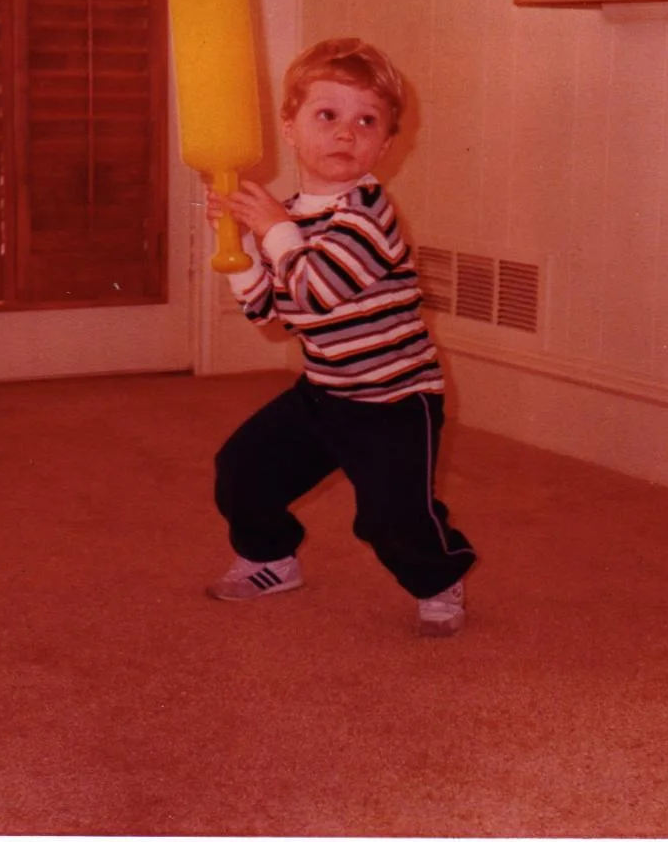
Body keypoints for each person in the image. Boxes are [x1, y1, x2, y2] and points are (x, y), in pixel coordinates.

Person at [202, 37, 476, 637]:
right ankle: (272, 559)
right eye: (327, 115)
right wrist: (239, 248)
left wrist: (272, 230)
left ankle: (439, 578)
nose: (346, 133)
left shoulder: (367, 215)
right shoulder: (290, 216)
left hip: (394, 400)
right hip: (325, 392)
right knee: (243, 469)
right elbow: (270, 313)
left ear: (385, 145)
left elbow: (315, 291)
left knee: (391, 518)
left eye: (367, 121)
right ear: (290, 128)